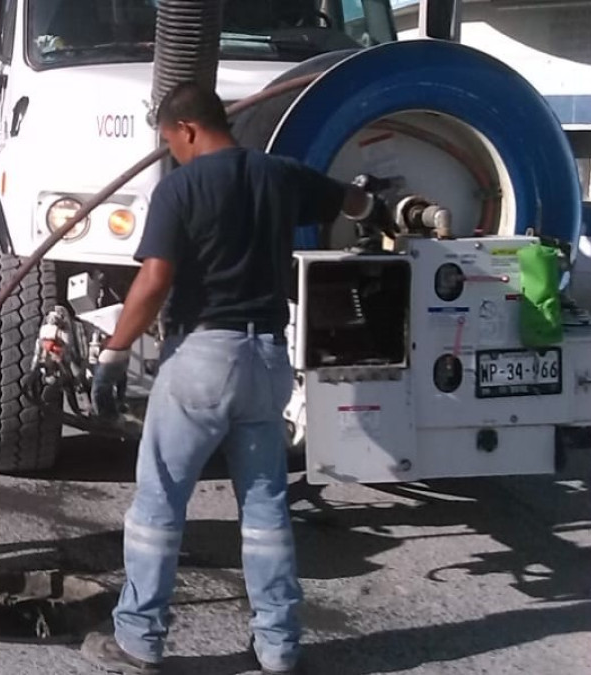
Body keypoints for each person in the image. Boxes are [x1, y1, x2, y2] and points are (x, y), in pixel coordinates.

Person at [79, 82, 393, 674]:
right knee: (266, 507)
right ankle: (277, 647)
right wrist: (374, 205)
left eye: (172, 140)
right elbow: (351, 204)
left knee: (158, 503)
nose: (171, 151)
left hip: (202, 358)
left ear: (189, 129)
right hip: (268, 361)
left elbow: (153, 282)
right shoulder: (281, 176)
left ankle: (139, 639)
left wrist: (114, 354)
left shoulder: (182, 188)